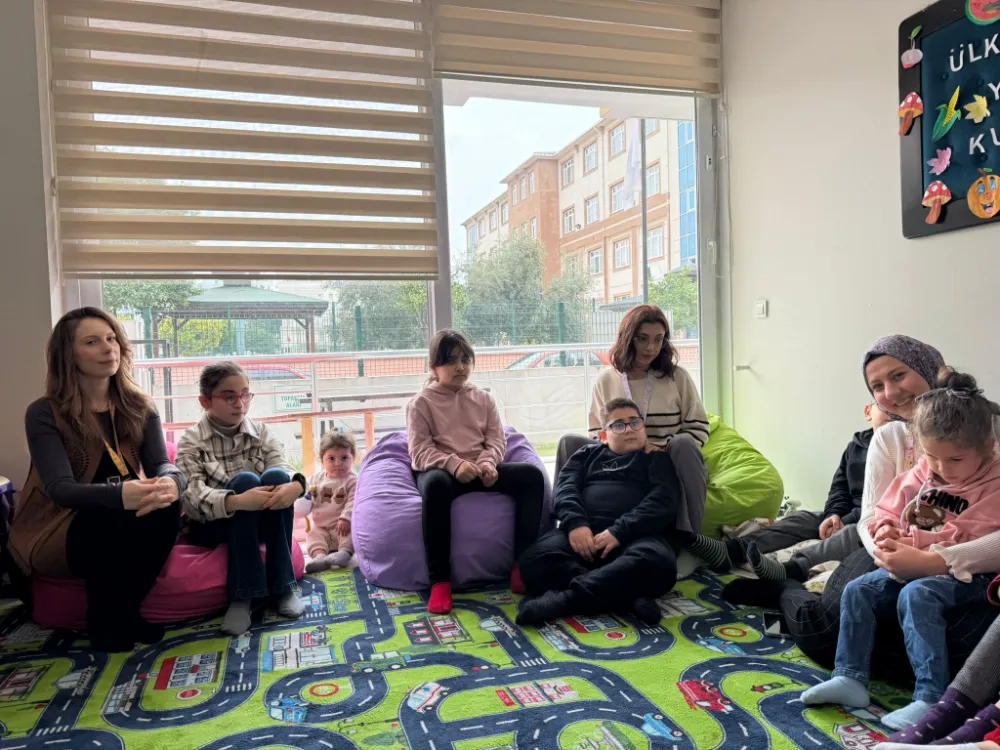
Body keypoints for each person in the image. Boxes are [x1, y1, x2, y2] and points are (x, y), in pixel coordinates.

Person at [724, 335, 1000, 676]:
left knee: (958, 653)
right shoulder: (888, 437)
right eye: (877, 386)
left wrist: (934, 562)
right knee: (826, 635)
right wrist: (887, 547)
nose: (891, 392)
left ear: (928, 368)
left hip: (965, 562)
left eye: (898, 375)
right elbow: (872, 516)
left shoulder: (987, 431)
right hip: (890, 552)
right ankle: (785, 587)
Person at [802, 369, 1000, 731]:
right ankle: (849, 676)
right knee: (858, 589)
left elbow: (977, 532)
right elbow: (888, 507)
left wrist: (918, 545)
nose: (941, 469)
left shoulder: (994, 481)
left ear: (987, 447)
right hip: (914, 560)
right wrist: (886, 530)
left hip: (971, 576)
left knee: (917, 595)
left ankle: (930, 696)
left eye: (955, 460)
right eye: (932, 457)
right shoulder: (926, 469)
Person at [9, 308, 185, 652]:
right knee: (105, 518)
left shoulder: (140, 405)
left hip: (121, 512)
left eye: (111, 339)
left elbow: (162, 463)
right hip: (59, 526)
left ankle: (127, 610)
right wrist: (121, 495)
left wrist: (171, 482)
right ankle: (104, 620)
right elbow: (61, 490)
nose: (108, 348)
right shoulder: (44, 412)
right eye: (92, 342)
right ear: (68, 355)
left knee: (166, 506)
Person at [407, 329, 546, 615]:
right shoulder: (421, 403)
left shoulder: (484, 399)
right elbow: (420, 452)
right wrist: (455, 465)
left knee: (531, 476)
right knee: (434, 485)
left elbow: (497, 440)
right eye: (451, 361)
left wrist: (488, 464)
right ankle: (440, 582)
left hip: (481, 470)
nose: (460, 367)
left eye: (465, 360)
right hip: (442, 472)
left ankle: (522, 566)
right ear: (434, 367)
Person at [516, 397, 681, 627]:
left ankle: (566, 600)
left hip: (635, 537)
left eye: (635, 422)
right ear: (603, 435)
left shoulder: (656, 458)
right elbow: (565, 488)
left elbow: (663, 501)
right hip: (584, 536)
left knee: (660, 563)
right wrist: (576, 524)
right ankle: (627, 597)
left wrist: (619, 531)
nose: (629, 429)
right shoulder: (586, 455)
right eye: (619, 425)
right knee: (533, 560)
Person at [176, 361, 307, 636]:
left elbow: (280, 465)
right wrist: (236, 501)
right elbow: (192, 498)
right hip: (211, 525)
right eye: (229, 397)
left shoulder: (260, 432)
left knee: (277, 477)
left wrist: (296, 485)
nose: (240, 404)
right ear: (205, 401)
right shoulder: (192, 440)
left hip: (257, 518)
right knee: (245, 481)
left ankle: (283, 587)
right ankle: (243, 595)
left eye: (245, 395)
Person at [689, 401, 890, 580]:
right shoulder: (855, 447)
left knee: (850, 534)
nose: (890, 411)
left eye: (895, 411)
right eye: (882, 406)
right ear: (868, 412)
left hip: (872, 522)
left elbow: (885, 503)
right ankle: (731, 550)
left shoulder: (899, 451)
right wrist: (833, 514)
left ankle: (792, 568)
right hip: (844, 514)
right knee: (803, 518)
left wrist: (846, 521)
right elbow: (839, 488)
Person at [556, 305, 708, 534]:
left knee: (684, 443)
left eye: (658, 340)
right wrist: (620, 448)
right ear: (627, 338)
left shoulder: (677, 377)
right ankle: (568, 527)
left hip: (663, 460)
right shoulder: (606, 379)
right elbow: (597, 431)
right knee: (569, 442)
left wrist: (661, 448)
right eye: (642, 339)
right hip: (618, 460)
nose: (651, 348)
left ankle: (691, 537)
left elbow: (699, 426)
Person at [304, 428, 357, 573]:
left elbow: (354, 501)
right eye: (331, 458)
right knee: (313, 534)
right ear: (322, 460)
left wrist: (346, 518)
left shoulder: (352, 480)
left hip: (342, 525)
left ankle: (344, 553)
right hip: (322, 526)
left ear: (353, 458)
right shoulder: (316, 479)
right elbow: (306, 495)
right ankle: (320, 557)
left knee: (353, 532)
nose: (338, 463)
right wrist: (305, 499)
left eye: (344, 458)